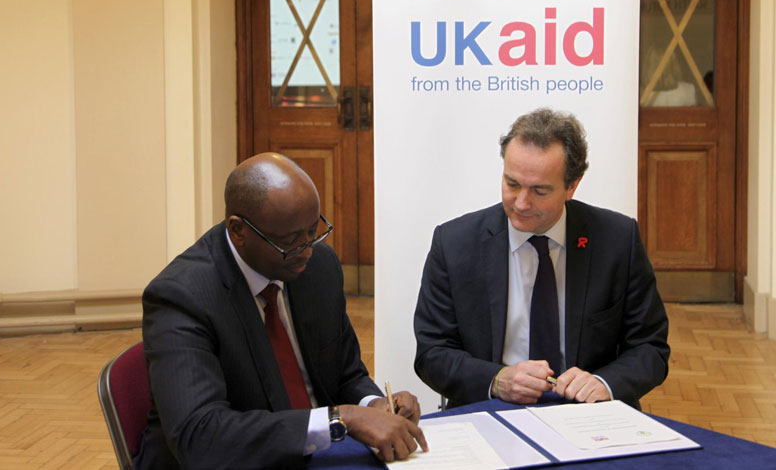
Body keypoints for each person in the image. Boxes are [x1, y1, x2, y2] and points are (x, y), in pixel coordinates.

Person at [136, 153, 427, 469]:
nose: (307, 250)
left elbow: (346, 373)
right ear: (238, 231)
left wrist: (374, 405)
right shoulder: (182, 296)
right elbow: (201, 436)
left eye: (313, 231)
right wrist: (338, 419)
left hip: (319, 456)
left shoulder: (319, 268)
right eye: (290, 241)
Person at [413, 108, 670, 410]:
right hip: (492, 406)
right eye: (512, 184)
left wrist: (603, 383)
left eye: (539, 190)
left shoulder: (616, 239)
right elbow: (432, 352)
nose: (521, 203)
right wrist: (497, 380)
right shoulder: (455, 243)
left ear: (572, 186)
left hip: (587, 410)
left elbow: (650, 347)